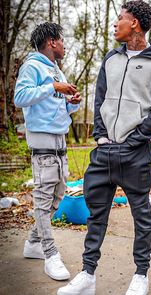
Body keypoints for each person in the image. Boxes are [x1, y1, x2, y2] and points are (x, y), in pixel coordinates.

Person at [57, 1, 151, 295]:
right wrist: (99, 136)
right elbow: (100, 99)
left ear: (134, 23)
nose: (114, 24)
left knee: (141, 214)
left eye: (119, 19)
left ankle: (141, 274)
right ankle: (87, 275)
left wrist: (137, 139)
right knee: (95, 214)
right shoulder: (110, 58)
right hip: (104, 151)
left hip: (135, 153)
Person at [14, 22, 82, 281]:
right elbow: (20, 97)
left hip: (60, 144)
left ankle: (33, 242)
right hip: (42, 144)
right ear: (52, 41)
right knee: (43, 200)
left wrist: (72, 102)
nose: (64, 45)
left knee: (59, 195)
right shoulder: (32, 66)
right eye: (62, 40)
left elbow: (61, 107)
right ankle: (50, 253)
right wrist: (54, 88)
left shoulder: (57, 71)